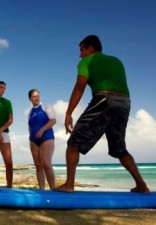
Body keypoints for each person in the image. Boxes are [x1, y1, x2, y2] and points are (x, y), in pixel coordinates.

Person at [56, 35, 150, 193]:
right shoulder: (117, 61)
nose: (80, 54)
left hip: (104, 100)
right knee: (120, 149)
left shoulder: (87, 61)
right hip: (125, 103)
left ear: (90, 48)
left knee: (73, 144)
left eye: (81, 50)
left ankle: (69, 185)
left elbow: (80, 86)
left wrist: (68, 112)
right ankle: (142, 185)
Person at [28, 89, 56, 190]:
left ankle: (53, 190)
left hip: (47, 138)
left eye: (37, 96)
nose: (36, 98)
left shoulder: (45, 107)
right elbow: (30, 126)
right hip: (33, 141)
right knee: (38, 165)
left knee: (46, 163)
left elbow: (53, 121)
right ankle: (42, 190)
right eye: (34, 96)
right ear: (30, 98)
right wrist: (31, 136)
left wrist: (42, 129)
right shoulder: (30, 112)